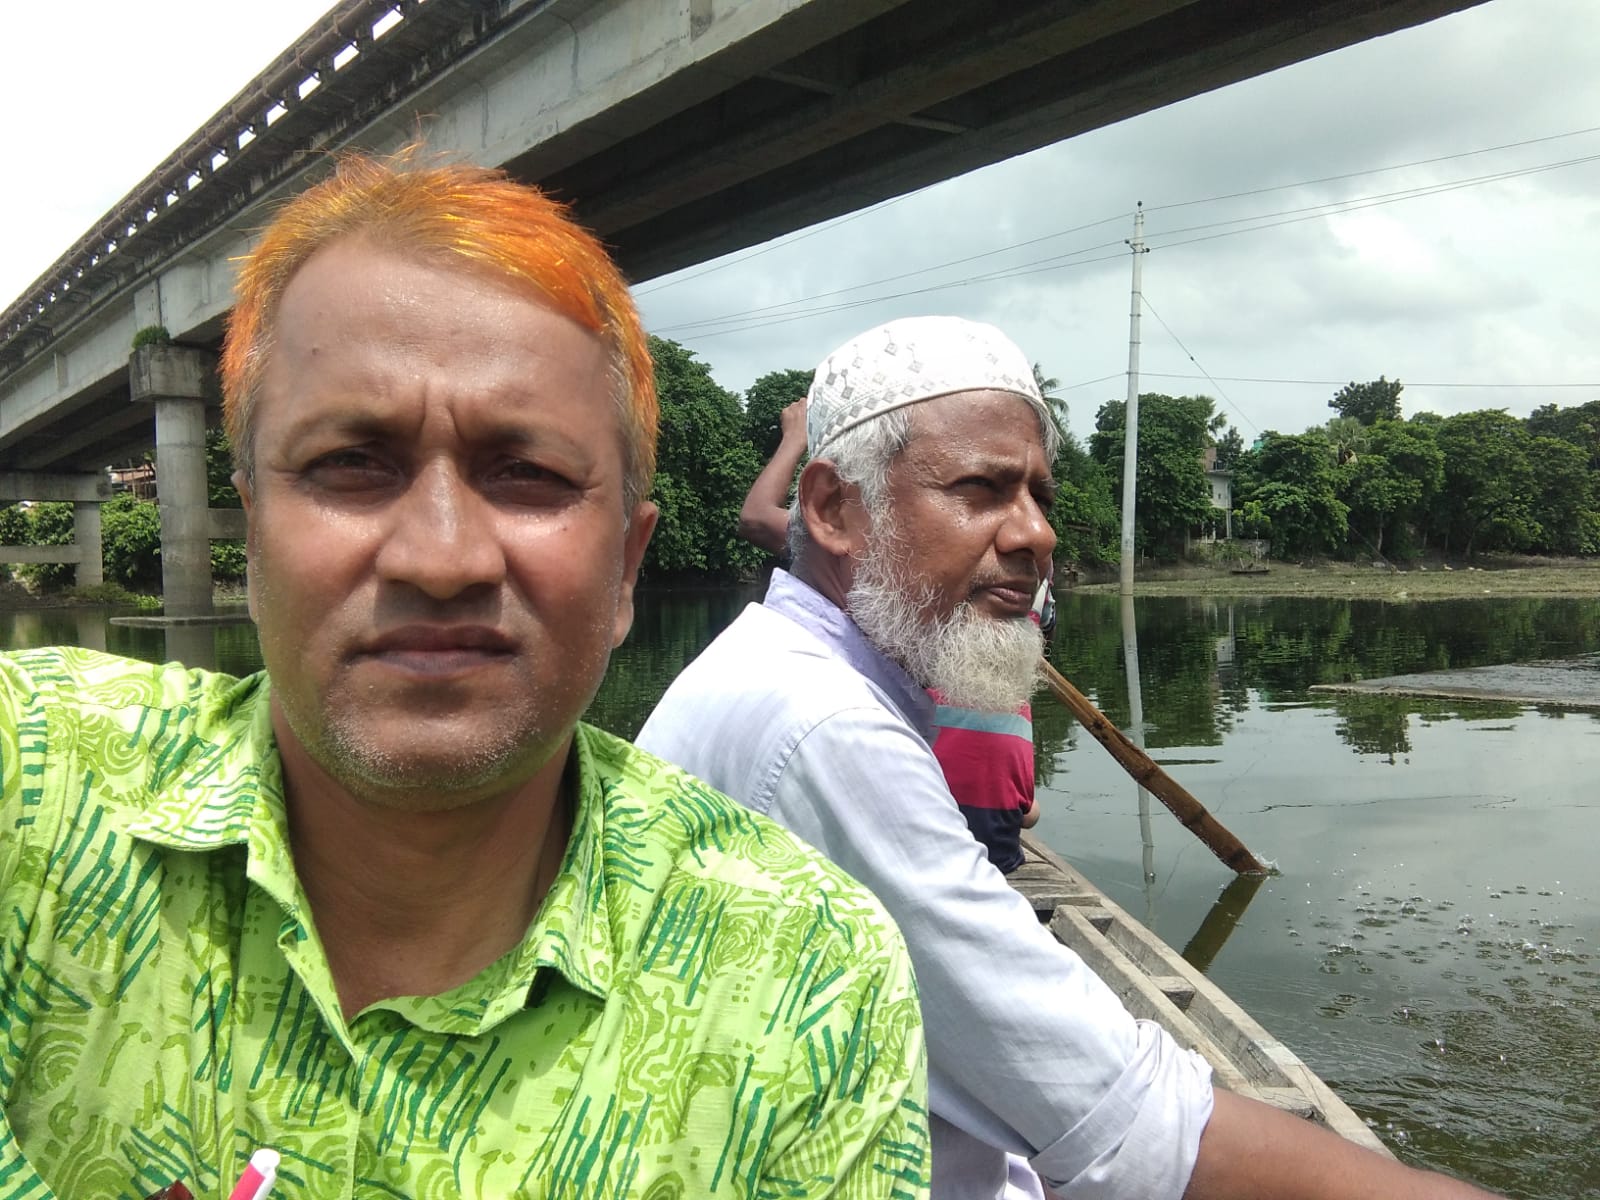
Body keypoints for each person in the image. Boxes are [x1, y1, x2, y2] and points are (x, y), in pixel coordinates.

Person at [0, 153, 930, 1200]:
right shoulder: (33, 786)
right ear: (252, 542)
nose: (441, 559)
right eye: (351, 464)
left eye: (527, 474)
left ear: (625, 570)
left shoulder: (804, 976)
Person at [639, 315, 1504, 1200]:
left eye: (1038, 496)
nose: (1037, 535)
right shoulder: (826, 728)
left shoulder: (783, 669)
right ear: (832, 511)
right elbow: (1128, 1127)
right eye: (981, 488)